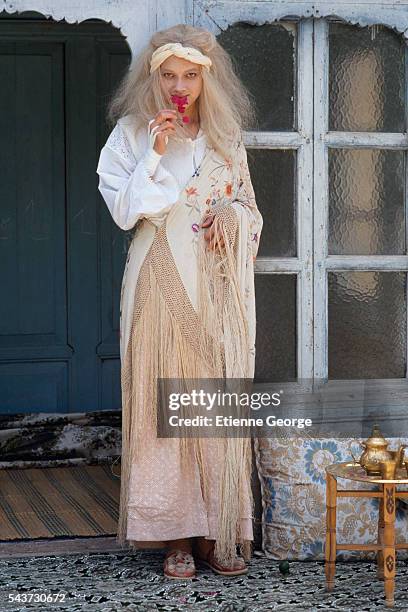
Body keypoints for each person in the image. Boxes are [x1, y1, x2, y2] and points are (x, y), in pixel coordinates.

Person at [96, 23, 263, 580]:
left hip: (216, 287)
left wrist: (231, 218)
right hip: (157, 280)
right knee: (161, 403)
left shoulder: (225, 135)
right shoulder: (129, 133)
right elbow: (126, 212)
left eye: (190, 75)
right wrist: (155, 153)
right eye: (168, 74)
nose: (179, 86)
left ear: (206, 79)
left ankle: (218, 529)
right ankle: (175, 538)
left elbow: (251, 211)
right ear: (152, 75)